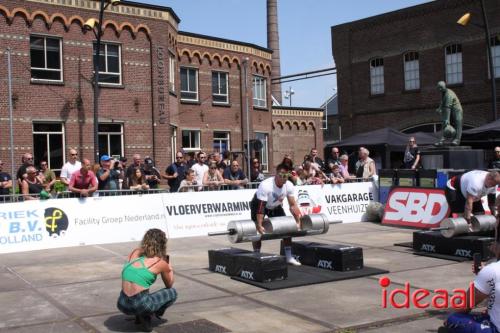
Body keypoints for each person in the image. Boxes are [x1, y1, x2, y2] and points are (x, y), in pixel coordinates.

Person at [117, 228, 177, 332]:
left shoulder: (134, 253)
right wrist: (168, 265)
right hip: (140, 304)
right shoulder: (160, 263)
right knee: (172, 293)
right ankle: (147, 315)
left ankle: (139, 316)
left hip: (122, 303)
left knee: (140, 289)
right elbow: (169, 284)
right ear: (162, 244)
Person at [250, 163, 302, 266]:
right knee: (257, 231)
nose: (284, 177)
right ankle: (256, 254)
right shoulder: (265, 185)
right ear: (276, 174)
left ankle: (288, 256)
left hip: (275, 206)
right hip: (258, 205)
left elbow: (293, 205)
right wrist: (259, 225)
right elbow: (261, 208)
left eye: (286, 175)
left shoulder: (289, 185)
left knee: (287, 228)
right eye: (282, 175)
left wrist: (298, 221)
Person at [435, 81, 463, 146]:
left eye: (441, 88)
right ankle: (442, 141)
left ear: (445, 87)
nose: (440, 89)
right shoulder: (443, 93)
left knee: (458, 124)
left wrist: (447, 119)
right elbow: (442, 102)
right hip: (449, 110)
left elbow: (448, 107)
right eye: (438, 88)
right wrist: (439, 108)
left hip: (457, 110)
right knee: (445, 124)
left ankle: (457, 140)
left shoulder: (449, 94)